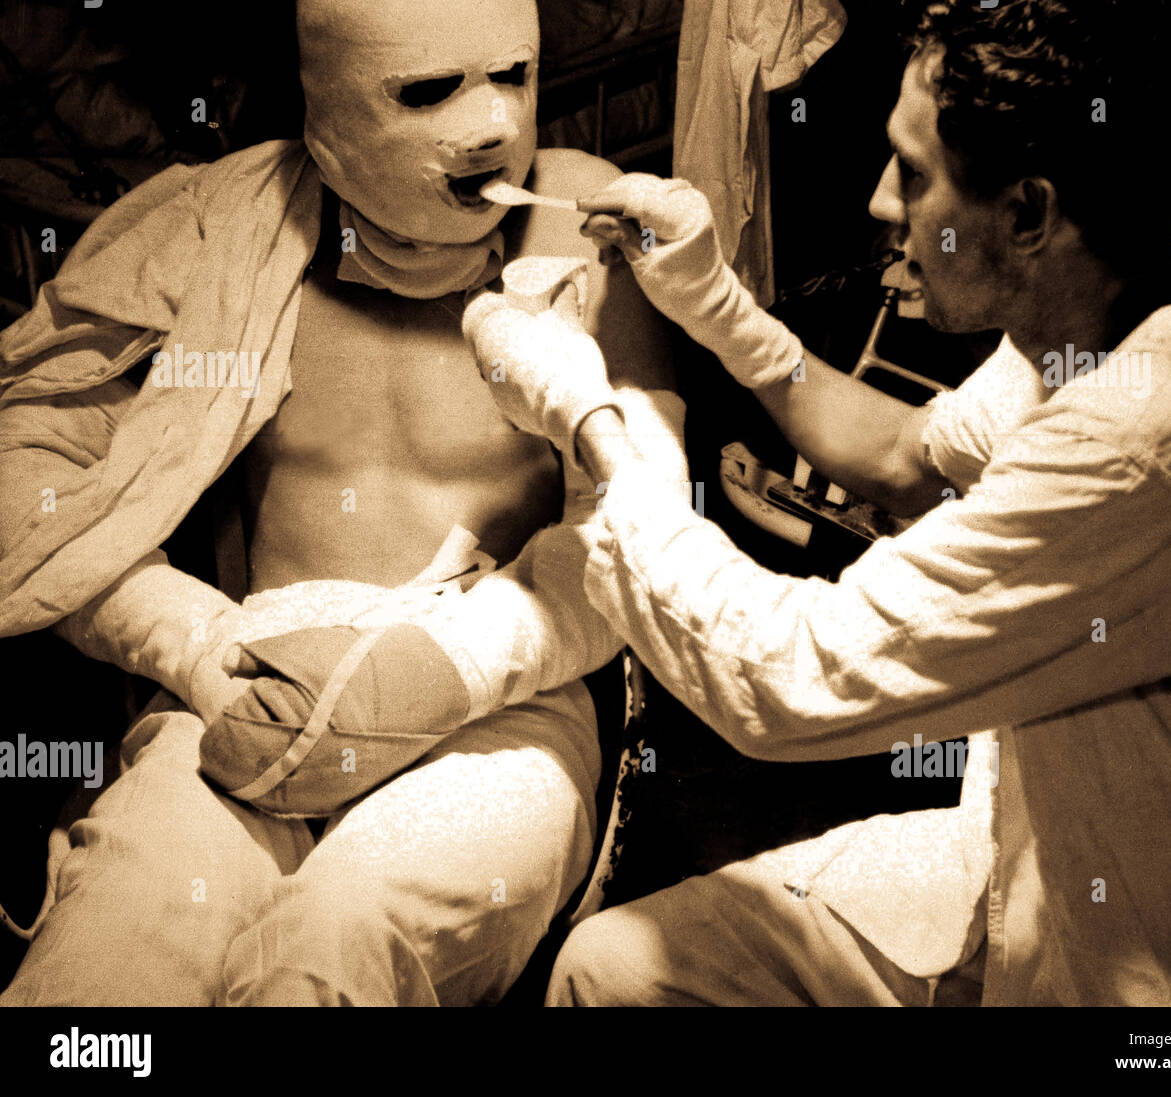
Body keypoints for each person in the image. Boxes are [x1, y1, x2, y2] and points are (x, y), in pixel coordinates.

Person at [464, 0, 1171, 1005]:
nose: (876, 202)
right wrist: (717, 306)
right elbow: (909, 454)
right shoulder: (1097, 319)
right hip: (1032, 850)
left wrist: (590, 416)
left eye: (911, 173)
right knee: (615, 968)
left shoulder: (1152, 436)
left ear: (1029, 213)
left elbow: (783, 677)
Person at [0, 0, 678, 1006]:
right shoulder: (222, 225)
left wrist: (440, 671)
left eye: (512, 75)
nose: (492, 123)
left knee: (336, 944)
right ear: (329, 107)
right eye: (428, 90)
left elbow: (645, 526)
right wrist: (190, 643)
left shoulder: (585, 224)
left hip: (504, 693)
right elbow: (30, 472)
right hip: (250, 672)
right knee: (114, 957)